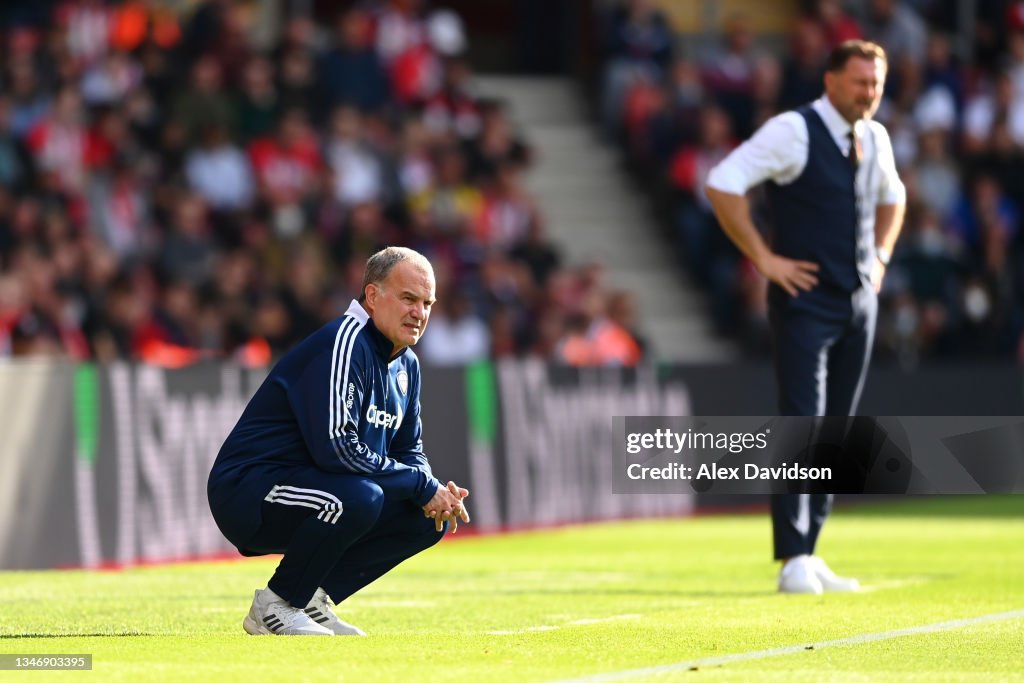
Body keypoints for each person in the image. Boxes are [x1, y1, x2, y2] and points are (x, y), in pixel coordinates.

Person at [705, 40, 905, 594]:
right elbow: (723, 182)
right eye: (861, 82)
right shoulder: (792, 130)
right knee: (802, 423)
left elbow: (895, 197)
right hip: (805, 301)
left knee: (836, 431)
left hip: (857, 300)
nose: (870, 93)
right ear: (832, 79)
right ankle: (792, 554)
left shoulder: (875, 137)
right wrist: (764, 259)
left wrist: (881, 257)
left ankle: (811, 549)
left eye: (877, 84)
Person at [208, 246, 470, 635]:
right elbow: (337, 448)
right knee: (361, 497)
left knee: (424, 518)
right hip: (250, 488)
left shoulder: (406, 364)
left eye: (427, 303)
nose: (419, 313)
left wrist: (432, 492)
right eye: (408, 299)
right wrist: (420, 484)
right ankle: (275, 604)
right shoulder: (344, 343)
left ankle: (311, 597)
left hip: (315, 489)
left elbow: (408, 450)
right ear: (372, 296)